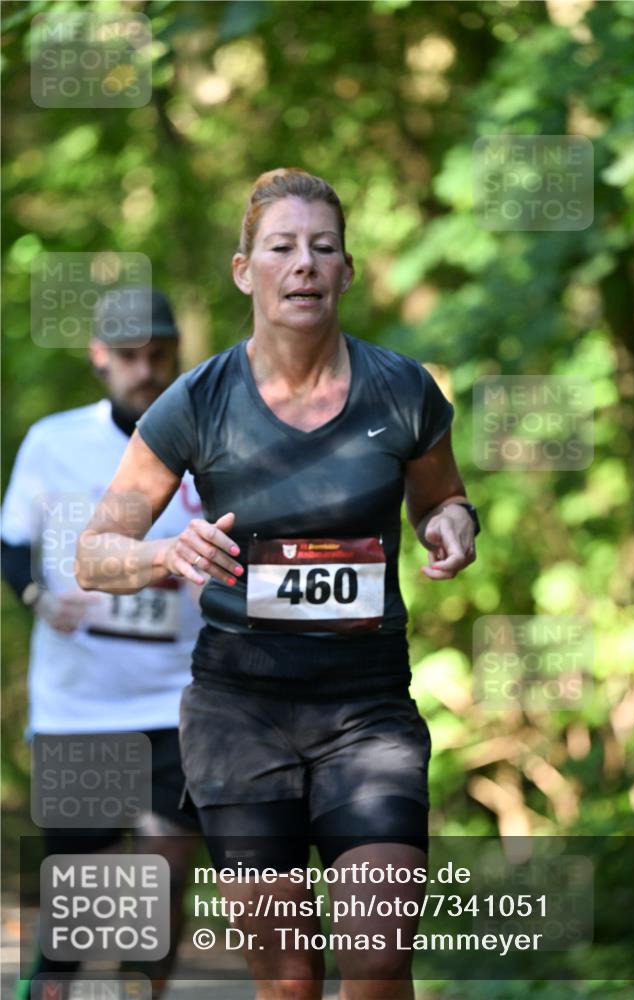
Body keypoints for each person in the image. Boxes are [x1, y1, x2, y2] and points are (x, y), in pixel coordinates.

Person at [76, 170, 478, 1000]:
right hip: (239, 714)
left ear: (346, 271)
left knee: (376, 960)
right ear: (244, 270)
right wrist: (164, 554)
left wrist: (450, 521)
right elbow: (94, 554)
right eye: (282, 248)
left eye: (322, 248)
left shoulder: (400, 389)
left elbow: (441, 493)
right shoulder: (197, 401)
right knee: (289, 980)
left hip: (366, 708)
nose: (304, 264)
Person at [1, 287, 203, 999]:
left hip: (177, 698)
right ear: (98, 357)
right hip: (81, 704)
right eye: (127, 356)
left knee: (163, 875)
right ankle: (48, 984)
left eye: (158, 355)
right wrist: (41, 598)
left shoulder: (204, 441)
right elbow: (12, 545)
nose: (143, 370)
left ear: (176, 356)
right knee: (83, 897)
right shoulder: (54, 442)